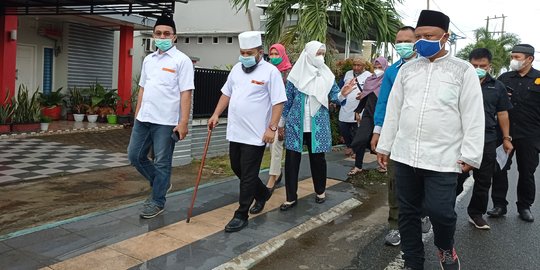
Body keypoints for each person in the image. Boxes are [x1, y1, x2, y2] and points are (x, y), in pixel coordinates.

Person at [376, 10, 485, 270]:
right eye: (419, 36)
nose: (422, 41)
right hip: (404, 155)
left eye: (429, 36)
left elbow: (473, 115)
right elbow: (395, 109)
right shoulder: (407, 70)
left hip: (443, 158)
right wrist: (385, 144)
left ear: (445, 37)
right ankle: (414, 262)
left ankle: (446, 249)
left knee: (441, 213)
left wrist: (470, 154)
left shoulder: (463, 71)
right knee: (408, 213)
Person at [208, 31, 287, 232]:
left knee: (249, 173)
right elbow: (226, 93)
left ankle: (241, 214)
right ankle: (262, 193)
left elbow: (278, 102)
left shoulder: (270, 72)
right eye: (242, 52)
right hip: (236, 131)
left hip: (257, 134)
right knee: (237, 167)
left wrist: (272, 127)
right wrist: (216, 114)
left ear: (260, 52)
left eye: (249, 52)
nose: (245, 56)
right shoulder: (236, 69)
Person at [368, 26, 430, 247]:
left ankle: (423, 212)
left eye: (407, 40)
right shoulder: (392, 71)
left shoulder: (429, 68)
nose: (402, 44)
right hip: (396, 136)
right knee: (395, 182)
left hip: (424, 136)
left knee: (422, 178)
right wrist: (377, 131)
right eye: (398, 41)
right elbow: (384, 103)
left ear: (416, 42)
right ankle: (395, 226)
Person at [127, 15, 194, 219]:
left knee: (162, 162)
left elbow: (186, 92)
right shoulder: (149, 60)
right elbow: (142, 89)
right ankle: (161, 183)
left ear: (174, 37)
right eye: (158, 33)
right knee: (134, 156)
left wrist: (183, 122)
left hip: (166, 122)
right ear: (153, 35)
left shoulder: (181, 61)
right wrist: (137, 113)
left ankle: (157, 201)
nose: (162, 37)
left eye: (166, 34)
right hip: (144, 118)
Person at [454, 48, 513, 230]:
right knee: (455, 177)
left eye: (482, 66)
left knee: (483, 180)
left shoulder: (497, 87)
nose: (478, 68)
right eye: (474, 65)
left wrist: (506, 137)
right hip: (460, 138)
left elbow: (502, 113)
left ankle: (476, 214)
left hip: (487, 139)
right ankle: (443, 209)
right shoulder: (458, 83)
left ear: (490, 67)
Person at [279, 41, 342, 211]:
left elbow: (335, 96)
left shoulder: (327, 75)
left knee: (318, 160)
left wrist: (343, 93)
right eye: (318, 53)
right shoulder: (295, 75)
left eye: (323, 53)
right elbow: (287, 101)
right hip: (295, 124)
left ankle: (320, 191)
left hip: (318, 124)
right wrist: (280, 124)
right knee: (292, 161)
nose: (321, 57)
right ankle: (291, 197)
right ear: (308, 54)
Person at [488, 44, 540, 222]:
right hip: (504, 132)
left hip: (530, 134)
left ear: (529, 59)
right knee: (499, 168)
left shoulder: (539, 78)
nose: (513, 60)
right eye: (512, 57)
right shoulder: (504, 78)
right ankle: (499, 205)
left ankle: (524, 207)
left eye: (517, 57)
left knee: (527, 171)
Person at [249, 43, 292, 214]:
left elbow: (287, 99)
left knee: (275, 145)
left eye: (277, 54)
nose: (274, 56)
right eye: (271, 53)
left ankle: (272, 178)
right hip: (264, 114)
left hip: (280, 114)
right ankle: (276, 171)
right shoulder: (263, 70)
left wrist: (281, 123)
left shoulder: (289, 74)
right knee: (265, 145)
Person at [346, 57, 388, 176]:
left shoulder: (388, 81)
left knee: (383, 142)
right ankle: (358, 166)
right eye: (375, 67)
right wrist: (358, 111)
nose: (377, 70)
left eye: (380, 68)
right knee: (360, 138)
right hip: (369, 115)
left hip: (383, 117)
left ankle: (384, 165)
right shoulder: (370, 80)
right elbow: (365, 97)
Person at [338, 57, 372, 157]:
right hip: (345, 106)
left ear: (364, 66)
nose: (356, 67)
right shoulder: (348, 74)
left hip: (359, 108)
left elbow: (372, 91)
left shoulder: (369, 76)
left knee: (357, 130)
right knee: (343, 126)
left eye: (359, 65)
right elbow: (340, 86)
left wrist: (364, 94)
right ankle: (349, 146)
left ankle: (355, 149)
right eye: (354, 65)